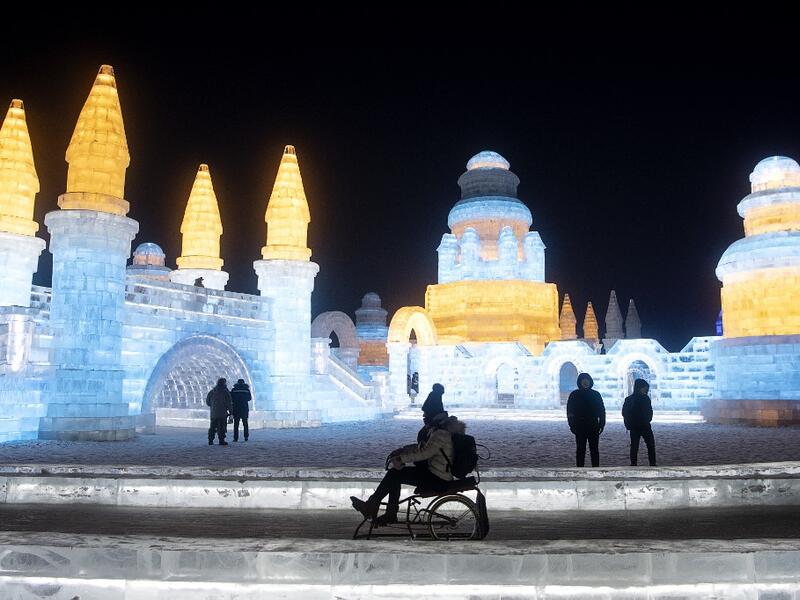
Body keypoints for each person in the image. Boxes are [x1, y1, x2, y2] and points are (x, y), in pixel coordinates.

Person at [351, 413, 463, 526]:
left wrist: (402, 458)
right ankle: (385, 511)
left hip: (438, 479)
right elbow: (422, 447)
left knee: (395, 474)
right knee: (395, 474)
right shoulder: (441, 432)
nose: (424, 419)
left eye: (426, 417)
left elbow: (425, 453)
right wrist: (402, 451)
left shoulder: (441, 434)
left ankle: (375, 507)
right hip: (436, 475)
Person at [566, 373, 606, 467]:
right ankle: (580, 469)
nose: (585, 382)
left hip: (593, 425)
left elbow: (601, 409)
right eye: (583, 380)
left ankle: (596, 469)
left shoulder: (596, 394)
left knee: (594, 450)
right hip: (580, 426)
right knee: (580, 450)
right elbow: (570, 411)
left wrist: (602, 423)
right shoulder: (574, 395)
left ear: (590, 381)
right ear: (580, 382)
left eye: (587, 380)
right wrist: (572, 424)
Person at [622, 378, 657, 466]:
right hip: (639, 426)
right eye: (644, 388)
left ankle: (645, 463)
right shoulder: (633, 399)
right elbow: (625, 412)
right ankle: (642, 463)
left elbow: (649, 411)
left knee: (643, 445)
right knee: (639, 446)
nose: (646, 390)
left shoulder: (639, 399)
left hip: (641, 426)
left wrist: (647, 419)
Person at [206, 378, 232, 446]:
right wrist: (231, 412)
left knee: (212, 427)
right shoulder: (226, 392)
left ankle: (210, 440)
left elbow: (208, 402)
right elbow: (229, 403)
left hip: (213, 413)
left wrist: (213, 407)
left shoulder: (212, 391)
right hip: (223, 413)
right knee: (222, 427)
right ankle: (221, 440)